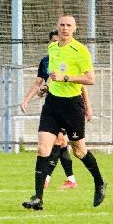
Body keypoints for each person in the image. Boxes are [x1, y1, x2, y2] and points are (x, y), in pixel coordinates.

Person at [22, 14, 106, 210]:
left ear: (74, 28)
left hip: (72, 106)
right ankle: (38, 198)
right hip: (52, 105)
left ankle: (100, 182)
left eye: (69, 25)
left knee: (79, 151)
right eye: (62, 25)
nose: (65, 28)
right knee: (43, 149)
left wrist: (66, 77)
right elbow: (52, 76)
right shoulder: (52, 48)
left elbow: (90, 79)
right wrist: (45, 88)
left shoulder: (81, 51)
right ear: (57, 27)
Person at [20, 29, 78, 193]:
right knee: (61, 142)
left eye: (57, 40)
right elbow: (39, 82)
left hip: (69, 106)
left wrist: (87, 107)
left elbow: (79, 83)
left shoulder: (70, 58)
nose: (55, 43)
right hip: (52, 107)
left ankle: (48, 178)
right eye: (52, 41)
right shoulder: (46, 61)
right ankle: (69, 179)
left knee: (64, 143)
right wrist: (27, 99)